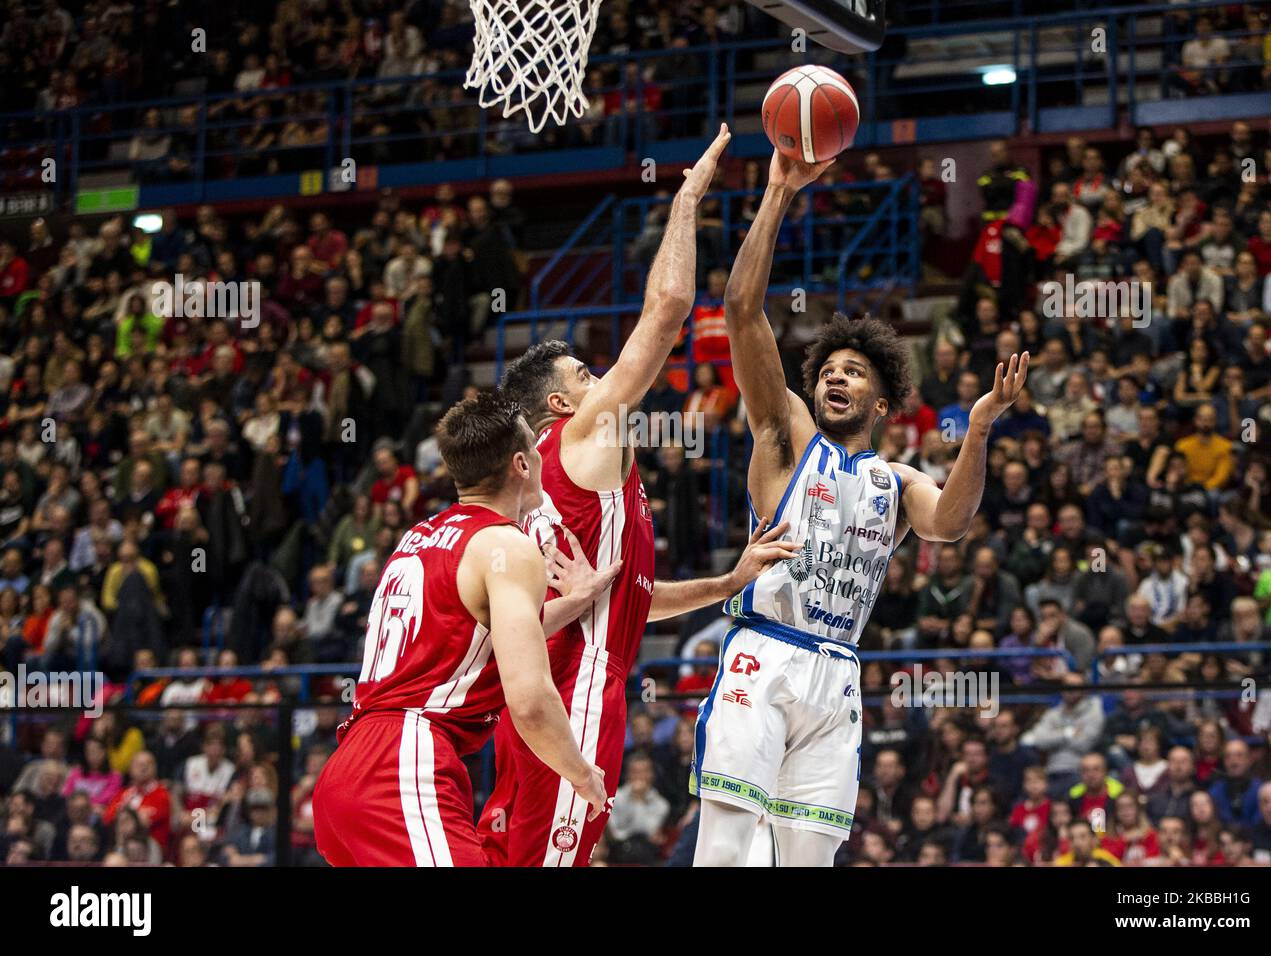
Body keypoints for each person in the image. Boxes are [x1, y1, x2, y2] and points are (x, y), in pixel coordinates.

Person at [691, 146, 1030, 868]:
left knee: (809, 860)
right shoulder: (782, 433)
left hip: (838, 670)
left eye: (855, 372)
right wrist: (780, 191)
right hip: (767, 650)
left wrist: (976, 429)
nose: (837, 376)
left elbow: (952, 524)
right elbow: (743, 310)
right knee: (724, 852)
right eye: (831, 369)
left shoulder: (897, 482)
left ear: (881, 402)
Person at [478, 127, 798, 868]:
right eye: (587, 376)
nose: (605, 383)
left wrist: (723, 583)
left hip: (535, 698)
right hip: (576, 697)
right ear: (561, 405)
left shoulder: (555, 485)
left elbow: (625, 597)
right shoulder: (588, 434)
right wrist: (687, 197)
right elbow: (667, 309)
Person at [311, 391, 607, 867]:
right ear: (522, 465)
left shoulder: (419, 537)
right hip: (402, 763)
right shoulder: (508, 546)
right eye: (534, 446)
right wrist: (580, 774)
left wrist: (572, 603)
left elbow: (479, 637)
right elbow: (530, 700)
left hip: (347, 771)